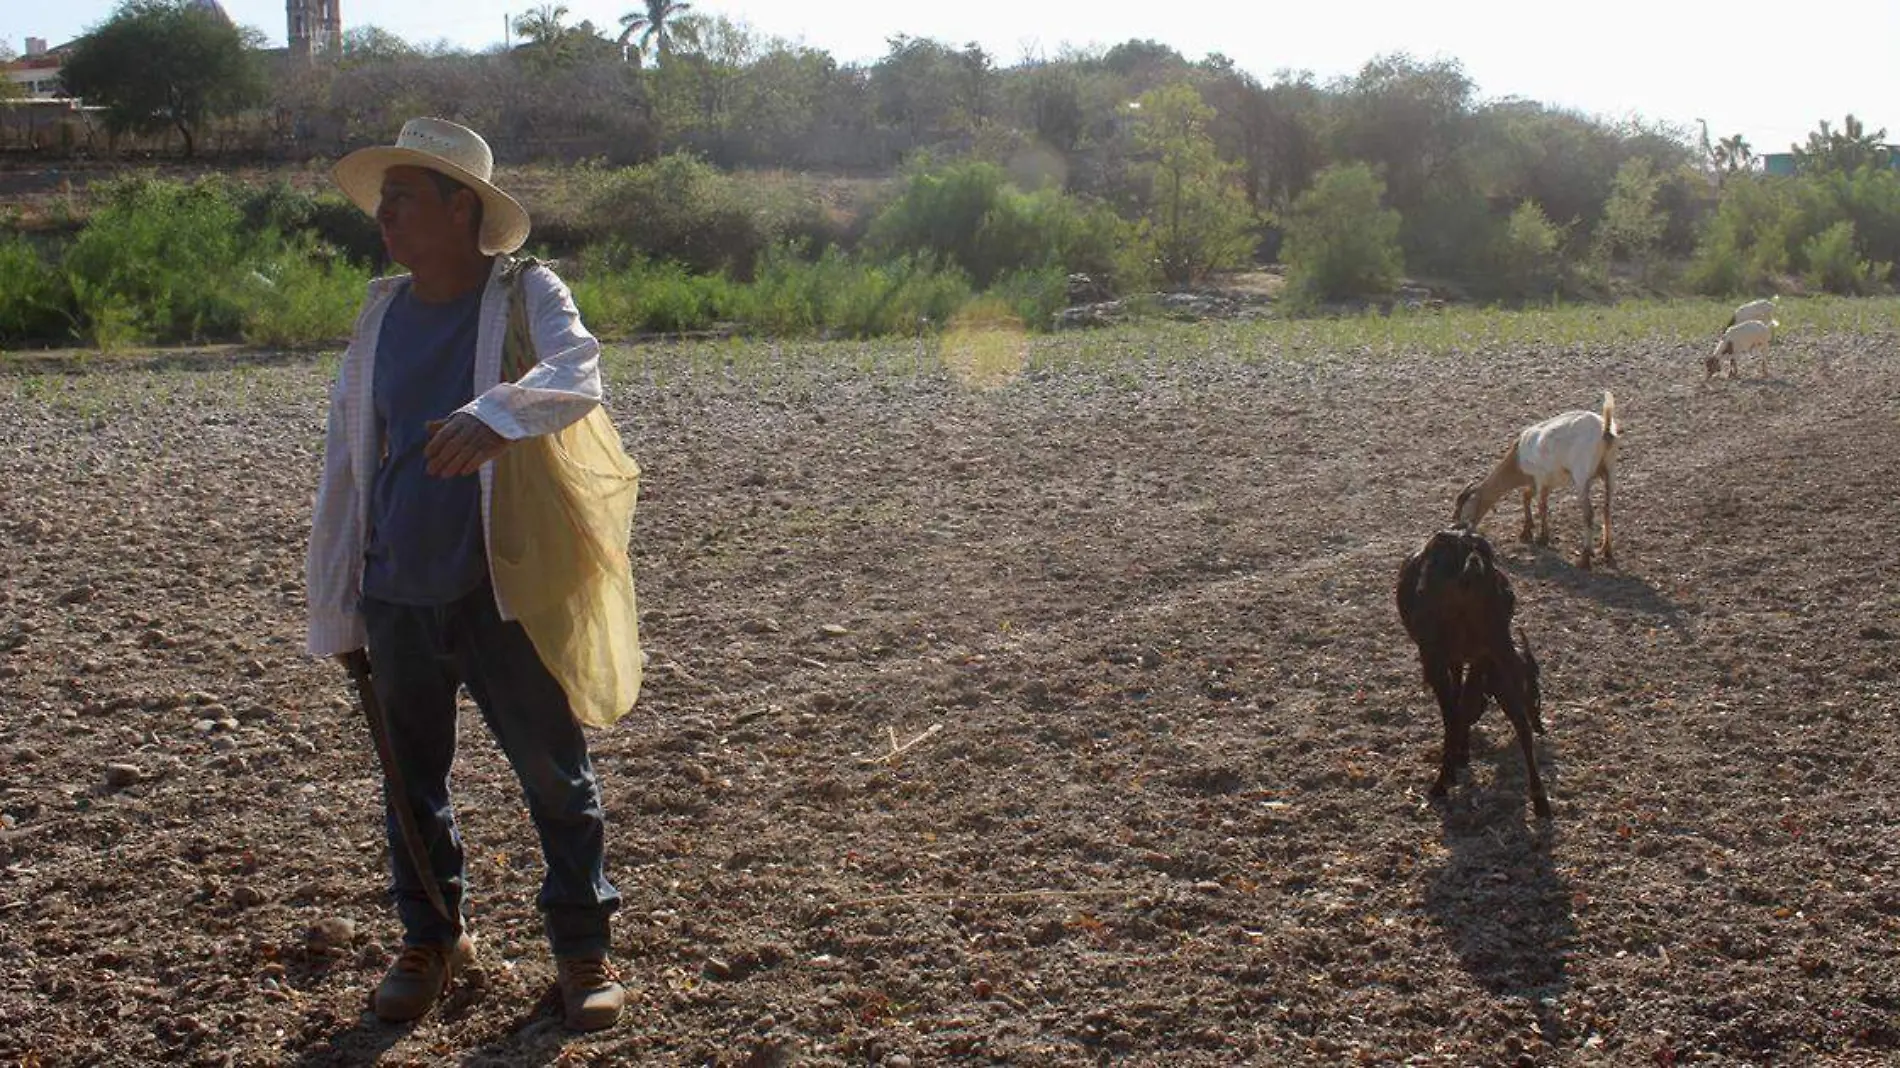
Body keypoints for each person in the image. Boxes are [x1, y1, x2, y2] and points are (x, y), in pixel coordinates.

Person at [307, 117, 624, 1031]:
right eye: (383, 201)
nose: (385, 216)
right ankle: (434, 937)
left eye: (402, 199)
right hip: (396, 587)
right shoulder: (379, 315)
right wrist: (337, 604)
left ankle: (580, 944)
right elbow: (346, 458)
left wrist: (499, 413)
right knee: (411, 783)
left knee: (553, 773)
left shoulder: (525, 294)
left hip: (503, 586)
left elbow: (580, 370)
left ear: (461, 209)